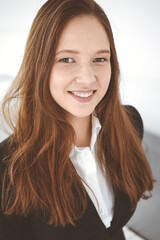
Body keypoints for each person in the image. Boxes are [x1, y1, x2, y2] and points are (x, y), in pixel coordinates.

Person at [0, 0, 154, 239]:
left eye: (99, 59)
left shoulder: (131, 123)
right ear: (40, 66)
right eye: (67, 59)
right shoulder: (7, 167)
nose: (87, 78)